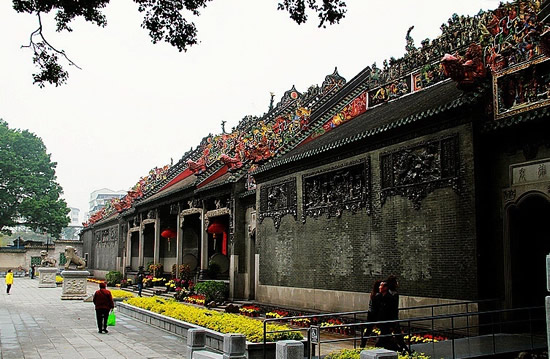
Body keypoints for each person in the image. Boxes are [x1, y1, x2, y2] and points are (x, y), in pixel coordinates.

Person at [360, 279, 382, 348]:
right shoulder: (378, 295)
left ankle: (363, 344)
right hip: (375, 314)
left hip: (370, 314)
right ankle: (378, 344)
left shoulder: (373, 294)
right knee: (382, 329)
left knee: (368, 330)